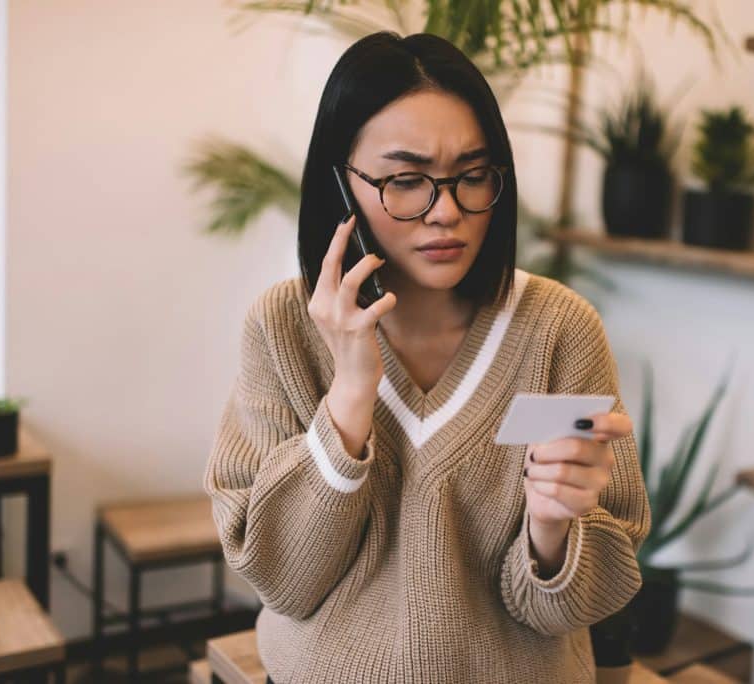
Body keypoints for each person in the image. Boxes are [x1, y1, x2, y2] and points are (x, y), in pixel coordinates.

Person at [203, 30, 651, 684]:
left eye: (472, 176)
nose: (447, 212)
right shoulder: (282, 329)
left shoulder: (558, 329)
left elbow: (597, 591)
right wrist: (351, 394)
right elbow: (281, 581)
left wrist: (552, 536)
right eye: (407, 181)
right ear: (341, 182)